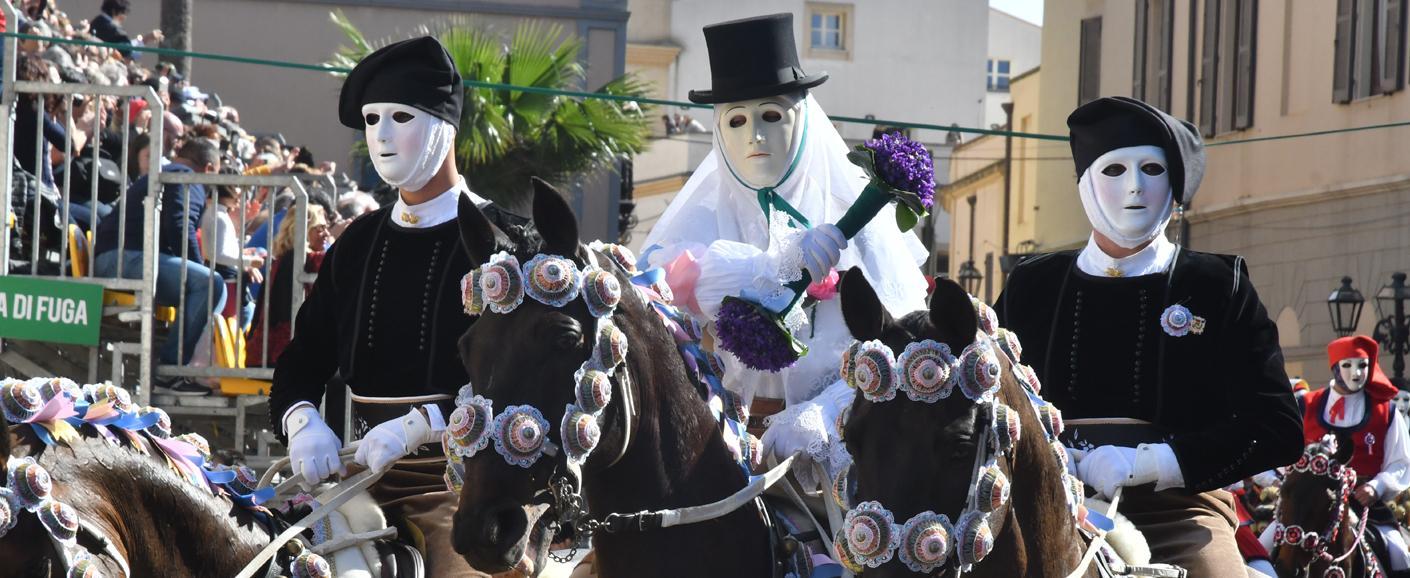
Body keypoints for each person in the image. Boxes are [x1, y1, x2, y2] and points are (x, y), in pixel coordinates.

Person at [995, 96, 1303, 576]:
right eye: (1114, 169)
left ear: (1175, 187)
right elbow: (987, 397)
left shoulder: (1218, 286)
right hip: (1045, 501)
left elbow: (1277, 427)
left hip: (1180, 511)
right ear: (1085, 183)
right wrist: (1054, 457)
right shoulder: (1031, 284)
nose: (1135, 186)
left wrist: (1152, 463)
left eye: (1152, 169)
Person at [267, 36, 532, 577]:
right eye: (371, 120)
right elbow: (303, 358)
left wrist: (427, 423)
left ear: (445, 128)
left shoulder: (510, 243)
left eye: (400, 117)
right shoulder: (357, 242)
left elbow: (526, 381)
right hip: (356, 474)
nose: (381, 136)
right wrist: (302, 420)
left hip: (467, 485)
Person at [641, 13, 929, 490]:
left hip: (844, 455)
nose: (755, 135)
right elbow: (655, 292)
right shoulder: (700, 225)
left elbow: (908, 346)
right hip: (720, 457)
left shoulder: (855, 217)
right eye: (736, 120)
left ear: (803, 117)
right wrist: (765, 268)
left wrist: (828, 411)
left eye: (771, 115)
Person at [94, 138, 228, 396]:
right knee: (210, 284)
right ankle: (171, 372)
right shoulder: (185, 177)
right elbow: (180, 226)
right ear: (209, 168)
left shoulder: (170, 173)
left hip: (117, 258)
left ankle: (182, 368)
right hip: (122, 259)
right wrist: (198, 270)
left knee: (208, 284)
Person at [1275, 335, 1410, 574]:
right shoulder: (1305, 404)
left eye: (1363, 365)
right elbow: (1281, 449)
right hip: (1306, 503)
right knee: (1262, 546)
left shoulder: (1387, 411)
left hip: (1363, 501)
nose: (1356, 373)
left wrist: (1376, 487)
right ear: (1334, 367)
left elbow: (1401, 462)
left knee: (1399, 552)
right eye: (1347, 365)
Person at [246, 204, 329, 367]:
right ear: (302, 230)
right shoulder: (297, 260)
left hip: (272, 357)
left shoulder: (286, 258)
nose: (327, 234)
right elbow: (335, 262)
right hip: (276, 359)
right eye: (320, 229)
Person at [87, 0, 161, 59]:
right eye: (124, 13)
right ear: (114, 11)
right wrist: (145, 39)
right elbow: (128, 51)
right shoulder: (114, 29)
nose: (125, 17)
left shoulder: (95, 22)